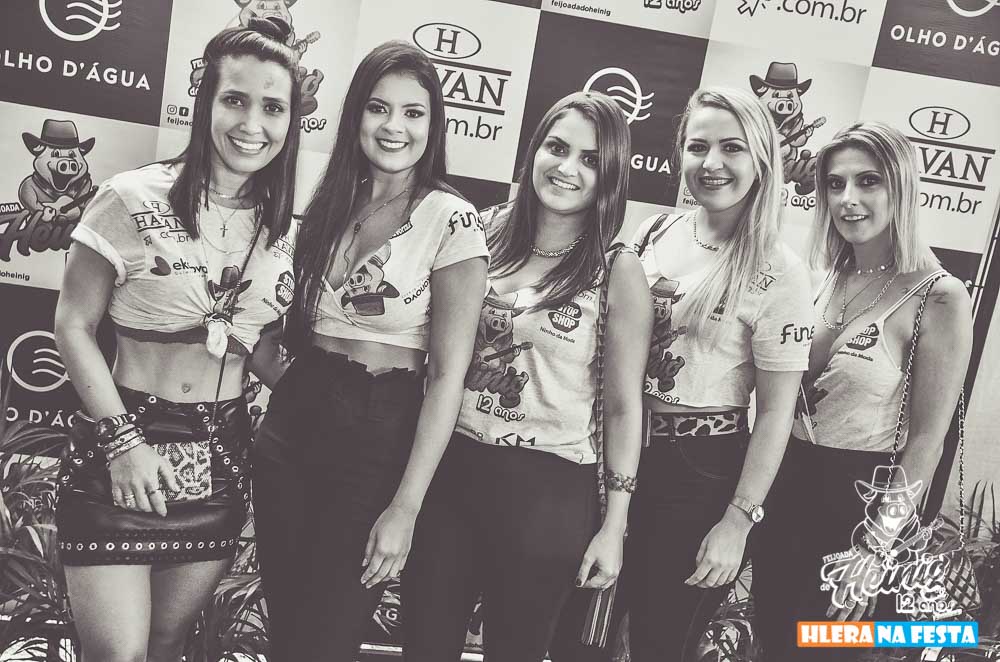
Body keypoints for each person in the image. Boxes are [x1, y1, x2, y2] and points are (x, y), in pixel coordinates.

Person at [53, 17, 300, 662]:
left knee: (167, 644)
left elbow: (261, 348)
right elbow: (73, 326)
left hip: (220, 454)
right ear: (205, 103)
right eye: (235, 99)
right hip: (122, 446)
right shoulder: (129, 197)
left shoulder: (286, 228)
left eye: (273, 107)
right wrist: (123, 444)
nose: (253, 124)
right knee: (120, 655)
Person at [250, 40, 489, 662]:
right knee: (288, 634)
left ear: (434, 125)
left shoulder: (451, 218)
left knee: (327, 639)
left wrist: (406, 506)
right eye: (379, 108)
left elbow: (448, 378)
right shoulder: (327, 203)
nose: (393, 127)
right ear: (356, 113)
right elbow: (278, 327)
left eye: (413, 112)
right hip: (292, 425)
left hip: (381, 435)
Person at [402, 91, 652, 662]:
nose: (567, 168)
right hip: (449, 468)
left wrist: (614, 526)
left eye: (590, 159)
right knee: (423, 646)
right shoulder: (478, 231)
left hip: (549, 491)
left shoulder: (617, 268)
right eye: (557, 148)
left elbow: (622, 409)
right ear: (534, 149)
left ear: (611, 175)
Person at [580, 86, 814, 662]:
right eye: (697, 146)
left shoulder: (781, 271)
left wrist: (737, 521)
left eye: (732, 148)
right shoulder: (653, 232)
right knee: (581, 638)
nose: (712, 163)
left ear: (762, 159)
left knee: (661, 642)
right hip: (612, 451)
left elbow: (777, 412)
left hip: (700, 474)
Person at [752, 121, 973, 661]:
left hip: (857, 513)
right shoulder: (823, 277)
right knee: (775, 649)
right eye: (835, 184)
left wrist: (875, 547)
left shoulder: (939, 296)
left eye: (868, 181)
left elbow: (927, 441)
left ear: (901, 188)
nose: (847, 198)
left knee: (825, 653)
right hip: (783, 498)